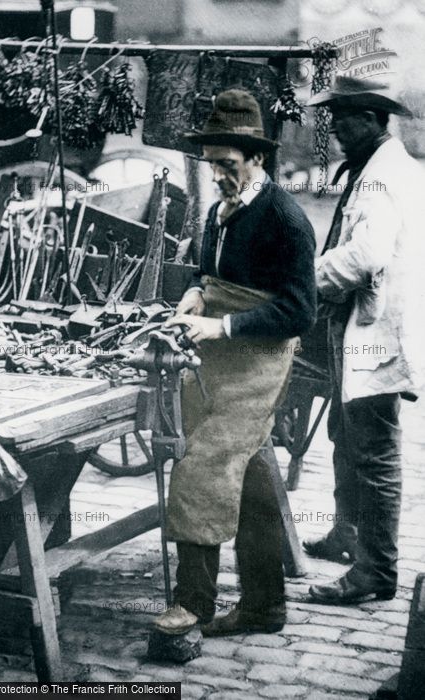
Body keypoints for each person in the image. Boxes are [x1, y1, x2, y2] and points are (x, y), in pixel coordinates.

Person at [152, 89, 317, 637]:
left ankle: (192, 603)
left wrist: (221, 325)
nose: (218, 176)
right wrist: (198, 291)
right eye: (212, 165)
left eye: (228, 166)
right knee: (250, 475)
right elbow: (210, 270)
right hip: (219, 354)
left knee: (202, 464)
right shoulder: (222, 211)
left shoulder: (286, 220)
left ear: (257, 160)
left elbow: (299, 311)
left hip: (260, 359)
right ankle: (265, 605)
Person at [304, 77, 425, 603]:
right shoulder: (380, 165)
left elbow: (366, 254)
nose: (334, 129)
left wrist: (303, 280)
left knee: (372, 450)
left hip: (375, 333)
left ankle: (375, 571)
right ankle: (345, 535)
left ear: (373, 120)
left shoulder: (384, 175)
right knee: (343, 433)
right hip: (361, 324)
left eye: (343, 119)